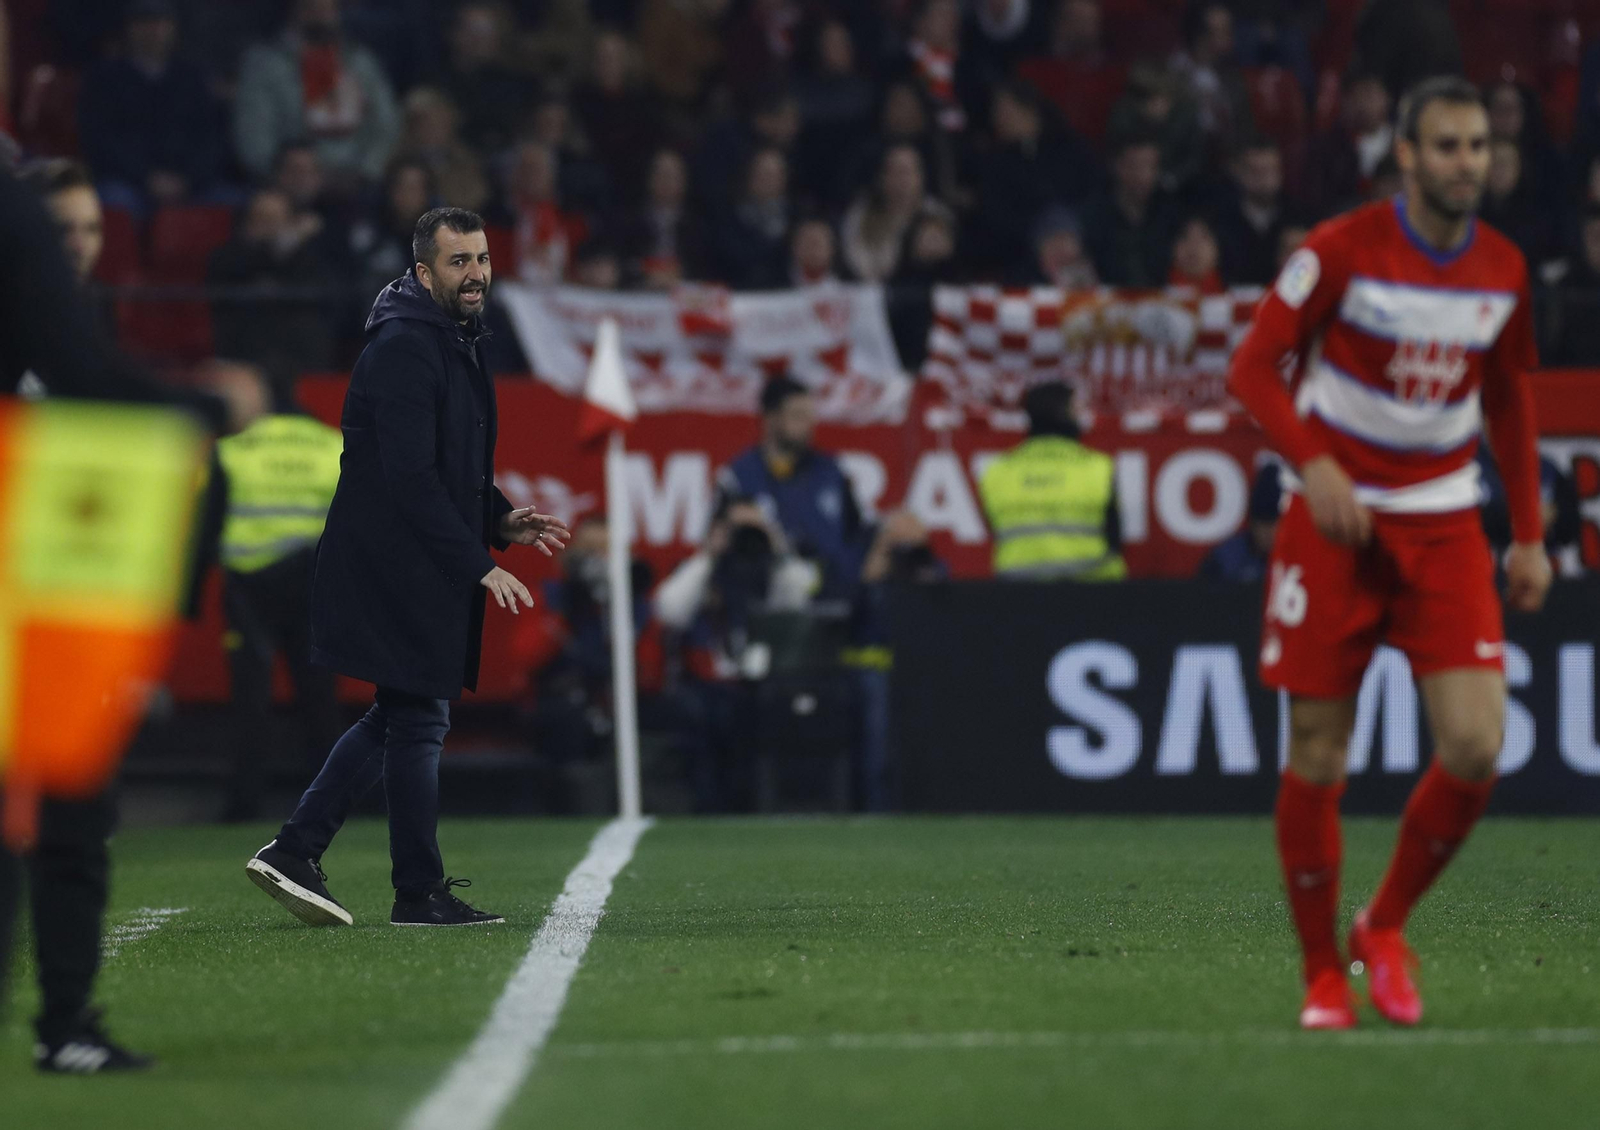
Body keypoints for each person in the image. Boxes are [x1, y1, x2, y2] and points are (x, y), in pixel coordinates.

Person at [1225, 77, 1551, 1031]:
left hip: (1444, 523)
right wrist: (1315, 465)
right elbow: (1252, 368)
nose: (1466, 163)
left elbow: (1509, 399)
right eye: (1447, 146)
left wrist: (1529, 535)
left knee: (1477, 745)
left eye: (1478, 146)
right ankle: (1322, 975)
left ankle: (1385, 924)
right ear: (1405, 155)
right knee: (1319, 752)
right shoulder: (1340, 251)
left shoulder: (1503, 269)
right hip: (1334, 524)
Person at [0, 163, 263, 1073]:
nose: (74, 247)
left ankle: (67, 1021)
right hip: (31, 604)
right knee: (55, 812)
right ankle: (65, 1025)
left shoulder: (77, 330)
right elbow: (103, 394)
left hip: (55, 602)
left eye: (87, 231)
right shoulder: (59, 330)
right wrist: (208, 405)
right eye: (60, 231)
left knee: (71, 813)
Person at [244, 208, 571, 930]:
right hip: (390, 565)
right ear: (423, 273)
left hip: (407, 560)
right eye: (459, 262)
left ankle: (298, 849)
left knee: (403, 714)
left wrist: (499, 519)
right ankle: (415, 891)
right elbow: (410, 479)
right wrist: (478, 563)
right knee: (418, 718)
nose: (477, 274)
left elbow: (449, 469)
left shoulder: (447, 338)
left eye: (482, 259)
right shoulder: (405, 348)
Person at [213, 393, 344, 822]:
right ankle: (333, 801)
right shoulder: (332, 445)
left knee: (251, 696)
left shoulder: (233, 448)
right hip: (316, 582)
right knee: (319, 695)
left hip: (249, 587)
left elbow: (204, 517)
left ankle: (244, 802)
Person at [715, 375, 872, 602]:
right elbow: (715, 548)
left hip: (836, 596)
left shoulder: (831, 472)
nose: (808, 425)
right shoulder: (739, 477)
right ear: (771, 418)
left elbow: (858, 535)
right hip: (767, 600)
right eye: (798, 415)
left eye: (810, 416)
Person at [233, 0, 400, 191]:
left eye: (329, 8)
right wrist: (290, 176)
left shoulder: (360, 61)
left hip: (357, 185)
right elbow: (254, 135)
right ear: (296, 9)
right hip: (284, 188)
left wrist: (366, 171)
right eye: (313, 7)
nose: (322, 15)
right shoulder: (265, 64)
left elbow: (386, 125)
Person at [78, 0, 226, 215]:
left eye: (160, 21)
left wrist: (188, 179)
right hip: (127, 182)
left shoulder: (193, 77)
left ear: (173, 27)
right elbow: (100, 141)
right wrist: (146, 178)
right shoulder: (104, 79)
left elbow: (212, 138)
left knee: (232, 201)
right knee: (114, 202)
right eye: (144, 22)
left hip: (190, 183)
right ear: (129, 27)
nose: (153, 30)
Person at [978, 381, 1125, 580]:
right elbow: (1115, 539)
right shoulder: (1098, 468)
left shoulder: (998, 472)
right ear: (1065, 414)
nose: (1082, 416)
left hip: (1018, 590)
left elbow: (994, 532)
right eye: (1077, 409)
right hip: (1094, 588)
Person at [1198, 462, 1282, 582]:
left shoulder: (1300, 557)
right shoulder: (1227, 558)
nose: (1269, 533)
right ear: (1252, 524)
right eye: (1263, 524)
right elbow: (1202, 590)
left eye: (1275, 524)